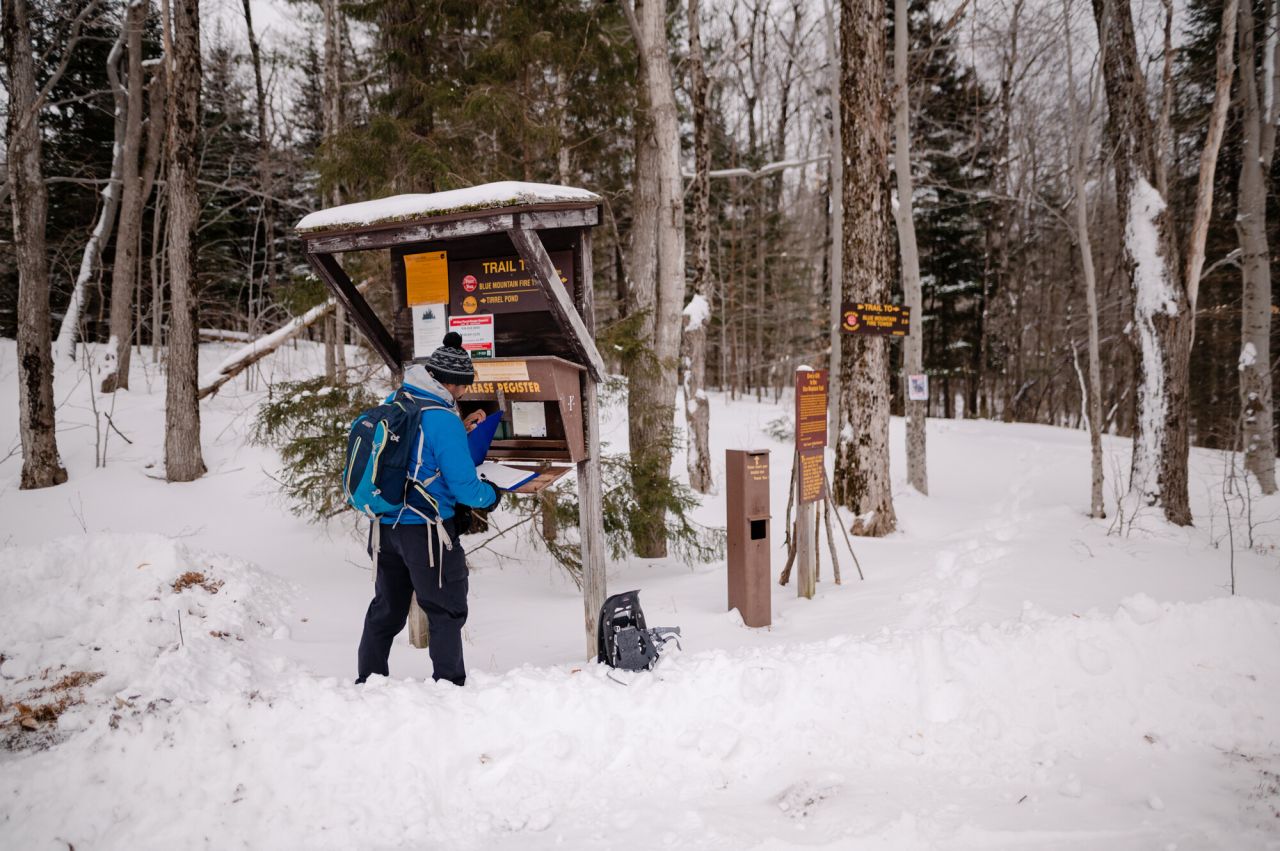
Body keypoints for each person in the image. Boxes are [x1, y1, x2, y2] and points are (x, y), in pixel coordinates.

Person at [356, 332, 498, 686]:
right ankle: (449, 686)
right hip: (427, 532)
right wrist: (491, 495)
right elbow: (465, 487)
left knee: (386, 609)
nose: (464, 393)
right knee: (446, 609)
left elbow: (415, 455)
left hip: (385, 527)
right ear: (451, 382)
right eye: (463, 386)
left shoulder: (397, 399)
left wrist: (459, 432)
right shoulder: (442, 419)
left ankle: (368, 682)